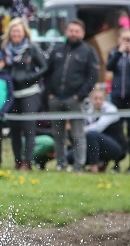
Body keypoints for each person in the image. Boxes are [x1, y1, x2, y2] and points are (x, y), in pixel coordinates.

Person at [45, 19, 99, 173]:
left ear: (82, 33)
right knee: (58, 134)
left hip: (75, 99)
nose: (73, 34)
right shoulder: (57, 50)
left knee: (77, 134)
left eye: (77, 31)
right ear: (66, 31)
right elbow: (48, 73)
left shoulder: (88, 52)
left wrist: (80, 95)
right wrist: (49, 94)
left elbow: (93, 76)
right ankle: (61, 164)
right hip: (56, 98)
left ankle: (78, 165)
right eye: (71, 30)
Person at [3, 18, 48, 171]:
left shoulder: (32, 48)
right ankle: (17, 160)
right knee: (14, 129)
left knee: (29, 129)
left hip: (30, 93)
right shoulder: (6, 50)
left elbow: (44, 67)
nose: (16, 34)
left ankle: (27, 162)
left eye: (19, 31)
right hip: (12, 94)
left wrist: (29, 78)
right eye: (13, 31)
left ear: (24, 33)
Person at [76, 87, 127, 172]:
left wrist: (80, 131)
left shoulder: (111, 110)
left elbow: (98, 128)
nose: (98, 101)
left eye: (101, 98)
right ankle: (97, 163)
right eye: (95, 98)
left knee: (92, 134)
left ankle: (94, 167)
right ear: (91, 99)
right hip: (97, 147)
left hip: (117, 147)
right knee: (71, 156)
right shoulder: (89, 111)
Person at [106, 27, 130, 170]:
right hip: (117, 96)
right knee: (117, 131)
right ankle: (117, 160)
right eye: (124, 39)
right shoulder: (114, 53)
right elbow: (109, 67)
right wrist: (119, 52)